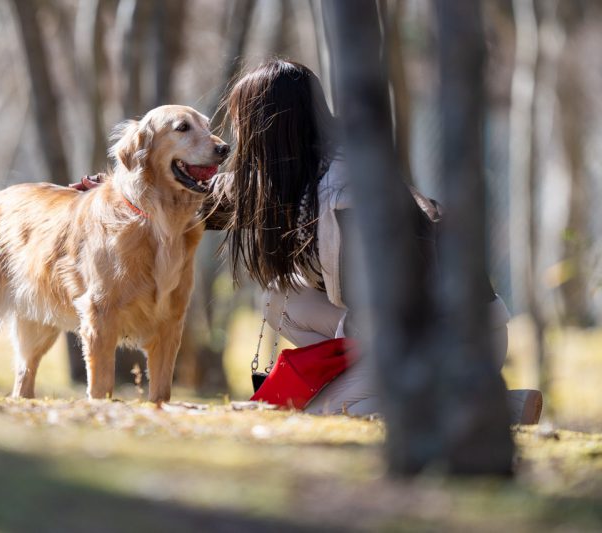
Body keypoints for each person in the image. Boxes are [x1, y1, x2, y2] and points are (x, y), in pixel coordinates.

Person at [72, 58, 542, 424]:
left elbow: (404, 304)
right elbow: (203, 198)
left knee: (321, 414)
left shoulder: (349, 193)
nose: (232, 137)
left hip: (445, 333)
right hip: (385, 327)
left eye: (242, 120)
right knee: (280, 301)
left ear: (270, 124)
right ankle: (407, 390)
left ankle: (480, 404)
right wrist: (115, 188)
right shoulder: (286, 175)